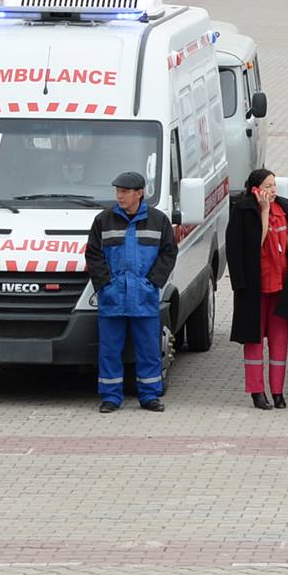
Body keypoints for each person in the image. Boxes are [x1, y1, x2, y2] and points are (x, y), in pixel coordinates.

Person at [85, 171, 178, 413]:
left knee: (148, 350)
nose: (119, 196)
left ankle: (149, 396)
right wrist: (105, 285)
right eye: (118, 191)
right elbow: (93, 254)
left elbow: (169, 253)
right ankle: (110, 397)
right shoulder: (103, 220)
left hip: (144, 298)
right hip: (112, 298)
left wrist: (152, 283)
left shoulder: (158, 221)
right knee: (109, 351)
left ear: (139, 193)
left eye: (125, 192)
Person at [226, 167, 288, 410]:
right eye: (268, 186)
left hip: (281, 287)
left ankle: (278, 392)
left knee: (280, 341)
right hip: (255, 289)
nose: (272, 190)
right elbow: (253, 245)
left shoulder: (282, 207)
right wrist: (264, 212)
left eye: (274, 186)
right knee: (255, 341)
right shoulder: (244, 211)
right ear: (255, 189)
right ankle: (257, 392)